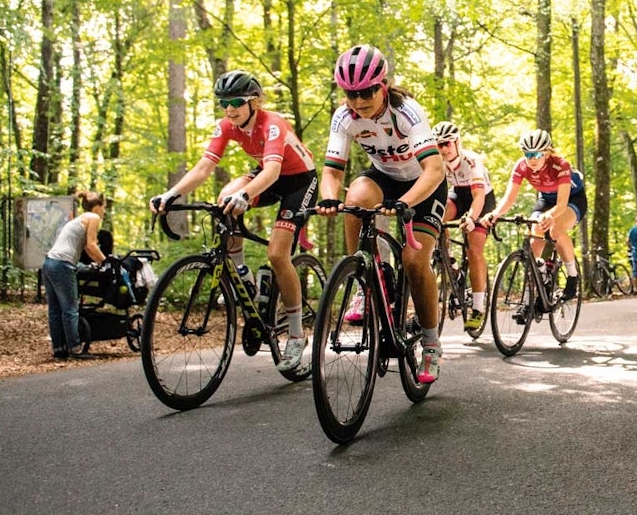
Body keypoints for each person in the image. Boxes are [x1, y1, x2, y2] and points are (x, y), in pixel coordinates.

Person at [150, 70, 318, 374]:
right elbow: (203, 167)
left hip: (297, 181)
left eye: (237, 101)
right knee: (224, 199)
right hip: (268, 176)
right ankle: (243, 274)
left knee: (278, 254)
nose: (230, 108)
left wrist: (246, 194)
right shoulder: (226, 126)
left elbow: (271, 173)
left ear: (254, 101)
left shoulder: (273, 124)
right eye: (223, 102)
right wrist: (171, 194)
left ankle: (296, 334)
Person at [316, 45, 448, 383]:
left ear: (382, 85)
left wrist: (406, 202)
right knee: (355, 198)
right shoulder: (344, 117)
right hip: (385, 177)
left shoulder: (406, 112)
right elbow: (332, 172)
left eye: (365, 92)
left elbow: (434, 168)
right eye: (350, 94)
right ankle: (367, 278)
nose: (358, 101)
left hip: (424, 183)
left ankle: (431, 345)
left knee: (415, 261)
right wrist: (330, 199)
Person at [482, 128, 586, 303]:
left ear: (546, 152)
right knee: (534, 236)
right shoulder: (522, 166)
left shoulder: (561, 165)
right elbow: (509, 198)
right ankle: (534, 288)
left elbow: (561, 204)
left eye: (536, 154)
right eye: (528, 154)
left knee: (556, 229)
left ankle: (572, 276)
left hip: (571, 199)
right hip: (545, 198)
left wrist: (550, 215)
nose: (532, 159)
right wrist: (495, 214)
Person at [433, 120, 495, 331]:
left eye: (447, 144)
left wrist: (471, 218)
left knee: (474, 249)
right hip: (458, 194)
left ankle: (478, 307)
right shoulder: (437, 160)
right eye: (439, 145)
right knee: (436, 219)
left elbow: (478, 196)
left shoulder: (472, 160)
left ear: (457, 142)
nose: (443, 149)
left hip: (481, 199)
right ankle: (452, 266)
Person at [41, 190, 107, 360]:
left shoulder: (79, 219)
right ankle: (75, 349)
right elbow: (92, 246)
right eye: (104, 207)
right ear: (97, 207)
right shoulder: (93, 218)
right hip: (62, 264)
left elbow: (86, 247)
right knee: (70, 309)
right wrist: (105, 261)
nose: (104, 211)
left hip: (49, 262)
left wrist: (96, 259)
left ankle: (59, 349)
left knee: (55, 310)